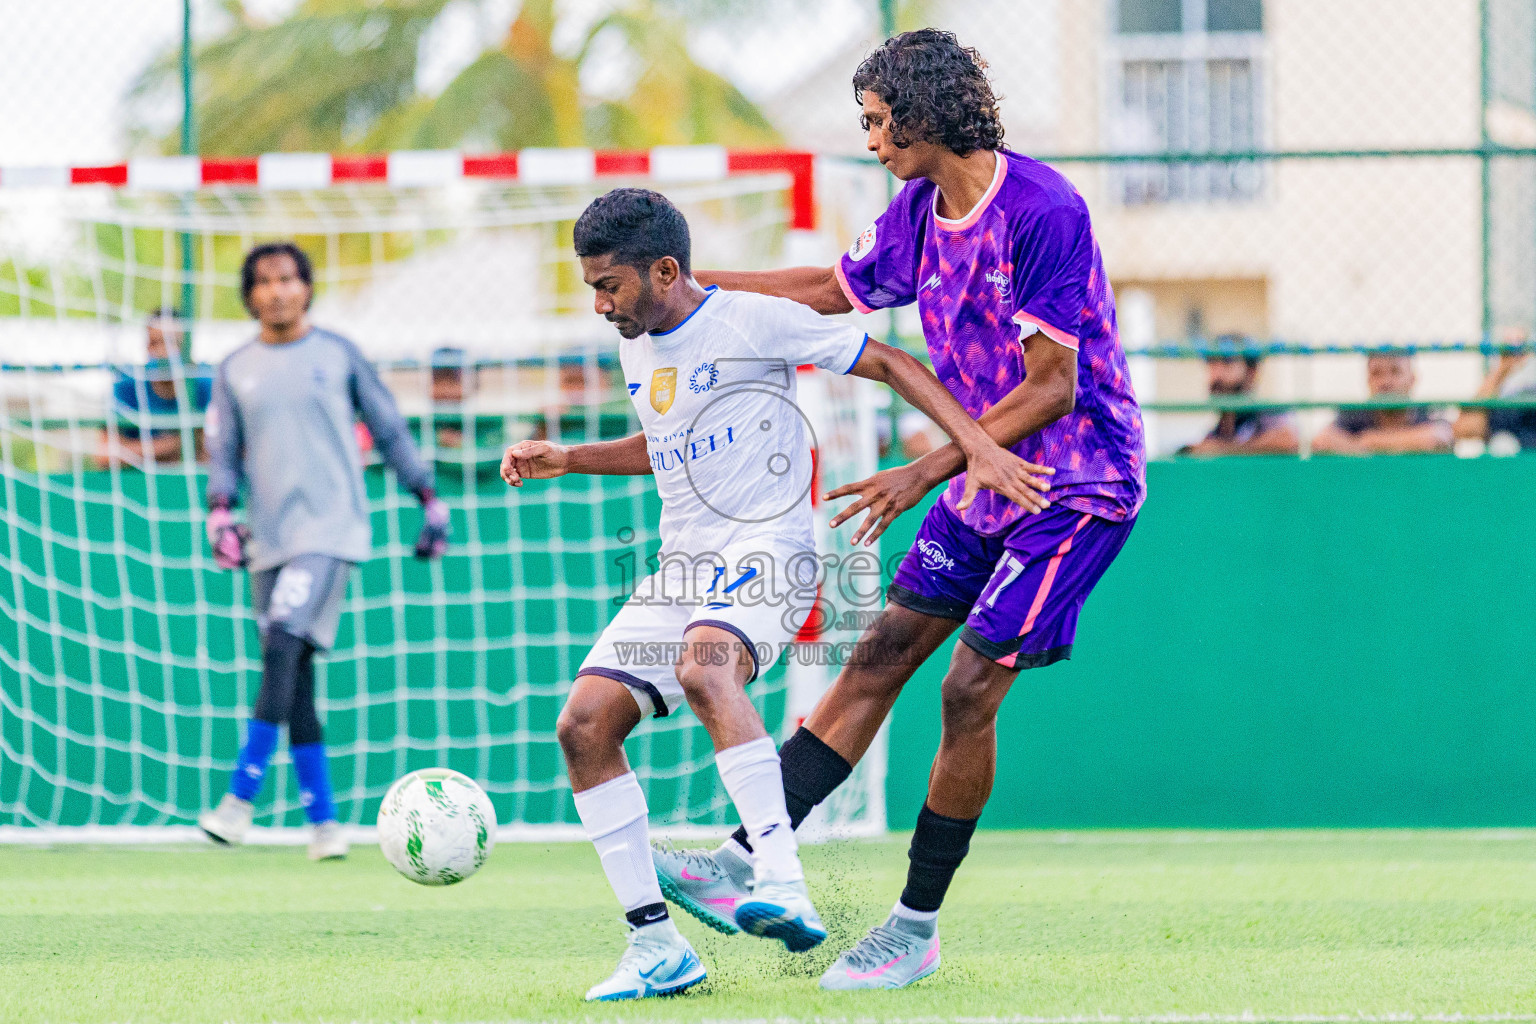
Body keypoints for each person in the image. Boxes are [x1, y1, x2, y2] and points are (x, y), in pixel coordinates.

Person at [648, 29, 1144, 990]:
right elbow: (828, 292)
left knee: (965, 693)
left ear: (924, 114)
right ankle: (750, 852)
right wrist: (701, 292)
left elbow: (1053, 387)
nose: (870, 139)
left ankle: (914, 929)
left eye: (878, 121)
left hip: (1075, 487)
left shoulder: (1045, 210)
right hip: (982, 476)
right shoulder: (917, 211)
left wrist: (921, 473)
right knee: (877, 658)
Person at [499, 188, 1050, 1001]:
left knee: (704, 669)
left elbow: (890, 361)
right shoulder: (637, 342)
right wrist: (573, 458)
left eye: (609, 284)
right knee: (582, 725)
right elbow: (667, 445)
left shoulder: (752, 318)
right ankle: (656, 949)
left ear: (664, 269)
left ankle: (780, 880)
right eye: (590, 285)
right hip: (682, 564)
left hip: (768, 551)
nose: (599, 302)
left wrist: (969, 445)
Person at [196, 242, 451, 861]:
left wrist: (427, 497)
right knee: (294, 672)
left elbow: (388, 426)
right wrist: (220, 510)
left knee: (283, 640)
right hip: (270, 539)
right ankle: (326, 824)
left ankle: (239, 800)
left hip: (331, 530)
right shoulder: (235, 368)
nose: (277, 290)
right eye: (264, 281)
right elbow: (223, 450)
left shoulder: (337, 354)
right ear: (249, 294)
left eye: (288, 278)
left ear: (306, 288)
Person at [98, 308, 211, 467]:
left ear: (187, 347)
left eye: (171, 342)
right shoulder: (127, 386)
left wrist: (135, 451)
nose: (162, 351)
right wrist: (177, 444)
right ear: (146, 346)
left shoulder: (206, 386)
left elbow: (216, 453)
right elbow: (105, 455)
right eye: (155, 343)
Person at [1312, 353, 1451, 455]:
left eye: (1395, 372)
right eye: (1376, 373)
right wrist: (1410, 442)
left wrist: (1369, 442)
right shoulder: (1354, 414)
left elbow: (1441, 437)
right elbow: (1322, 441)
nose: (1385, 382)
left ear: (1412, 379)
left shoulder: (1427, 411)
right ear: (1367, 380)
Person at [1181, 340, 1298, 456]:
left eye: (1227, 363)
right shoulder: (1218, 430)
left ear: (1252, 371)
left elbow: (1286, 440)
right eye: (1212, 364)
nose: (1217, 374)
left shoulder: (1269, 414)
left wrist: (1222, 450)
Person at [1453, 340, 1536, 452]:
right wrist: (1503, 368)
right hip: (1509, 456)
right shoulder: (1509, 403)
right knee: (1502, 444)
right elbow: (1467, 428)